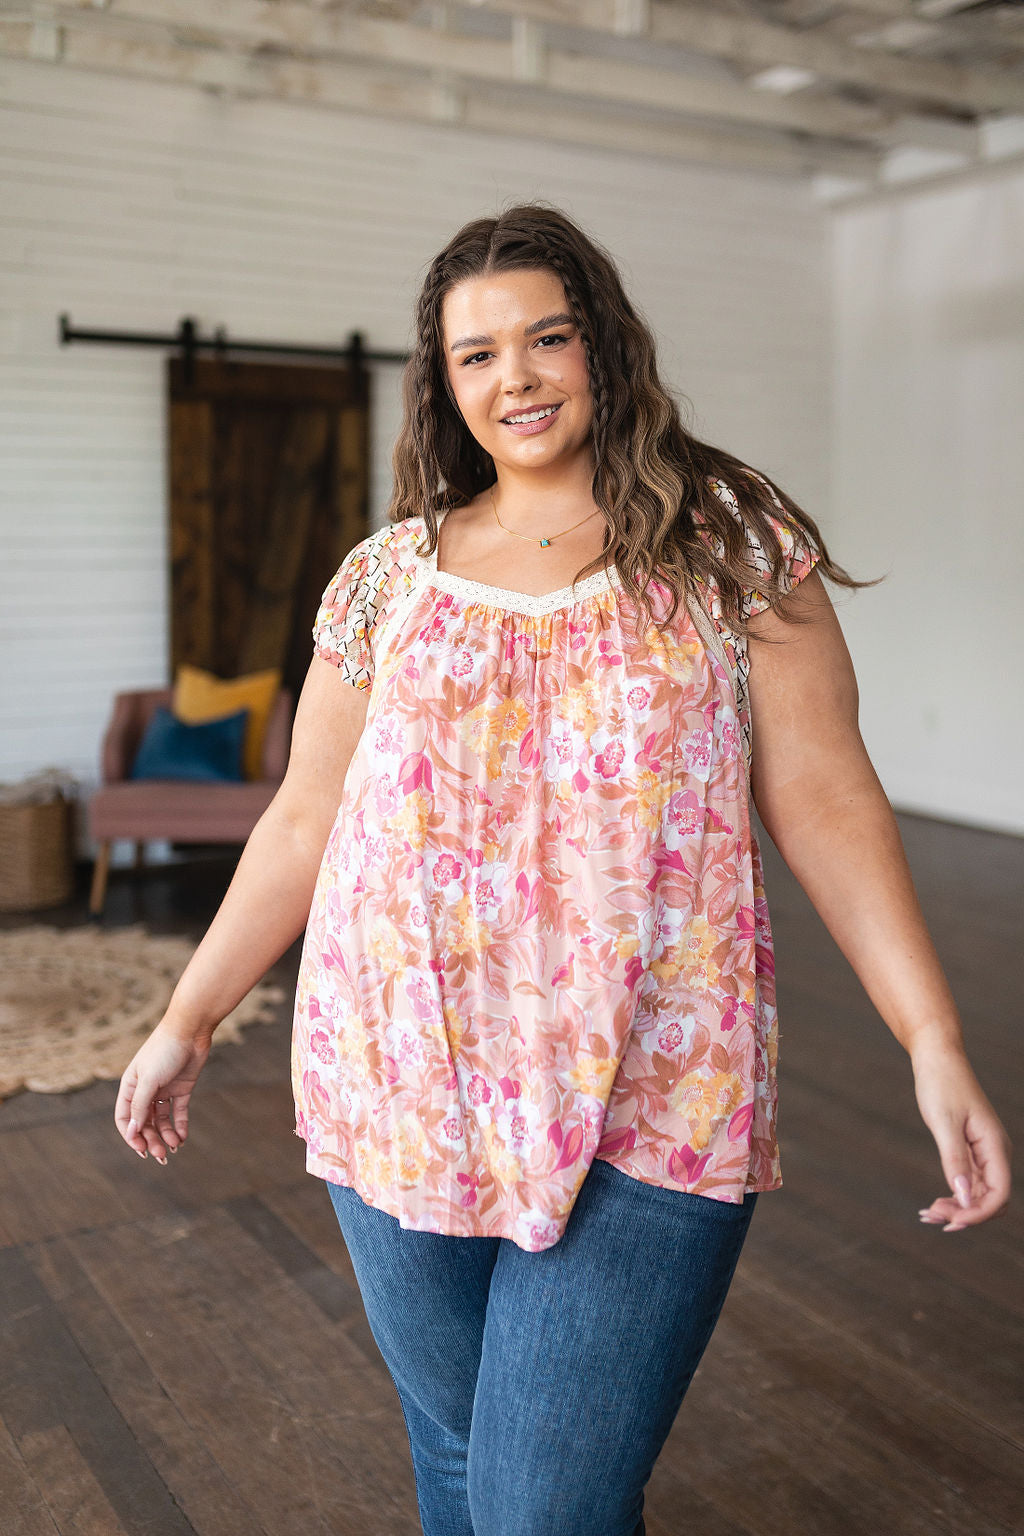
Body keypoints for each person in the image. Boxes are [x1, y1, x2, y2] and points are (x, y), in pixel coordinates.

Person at [115, 203, 1012, 1536]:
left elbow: (825, 796)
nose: (515, 378)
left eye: (547, 338)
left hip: (658, 1085)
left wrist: (931, 1039)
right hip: (399, 1079)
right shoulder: (386, 579)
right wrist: (184, 1019)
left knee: (543, 1506)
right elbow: (305, 819)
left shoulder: (728, 541)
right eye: (476, 355)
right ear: (443, 382)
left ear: (606, 345)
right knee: (466, 1469)